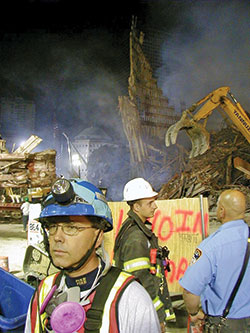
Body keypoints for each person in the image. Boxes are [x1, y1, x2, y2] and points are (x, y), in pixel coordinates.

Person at [25, 178, 161, 333]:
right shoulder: (43, 292)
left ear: (98, 237)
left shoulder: (130, 298)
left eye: (71, 227)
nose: (57, 237)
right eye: (53, 227)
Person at [179, 189, 250, 332]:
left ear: (222, 211)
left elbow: (190, 291)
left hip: (225, 324)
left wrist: (194, 313)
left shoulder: (210, 246)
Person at [113, 177, 175, 333]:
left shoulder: (136, 229)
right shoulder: (136, 238)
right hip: (142, 314)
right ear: (136, 207)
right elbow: (142, 280)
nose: (155, 206)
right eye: (150, 203)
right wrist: (158, 316)